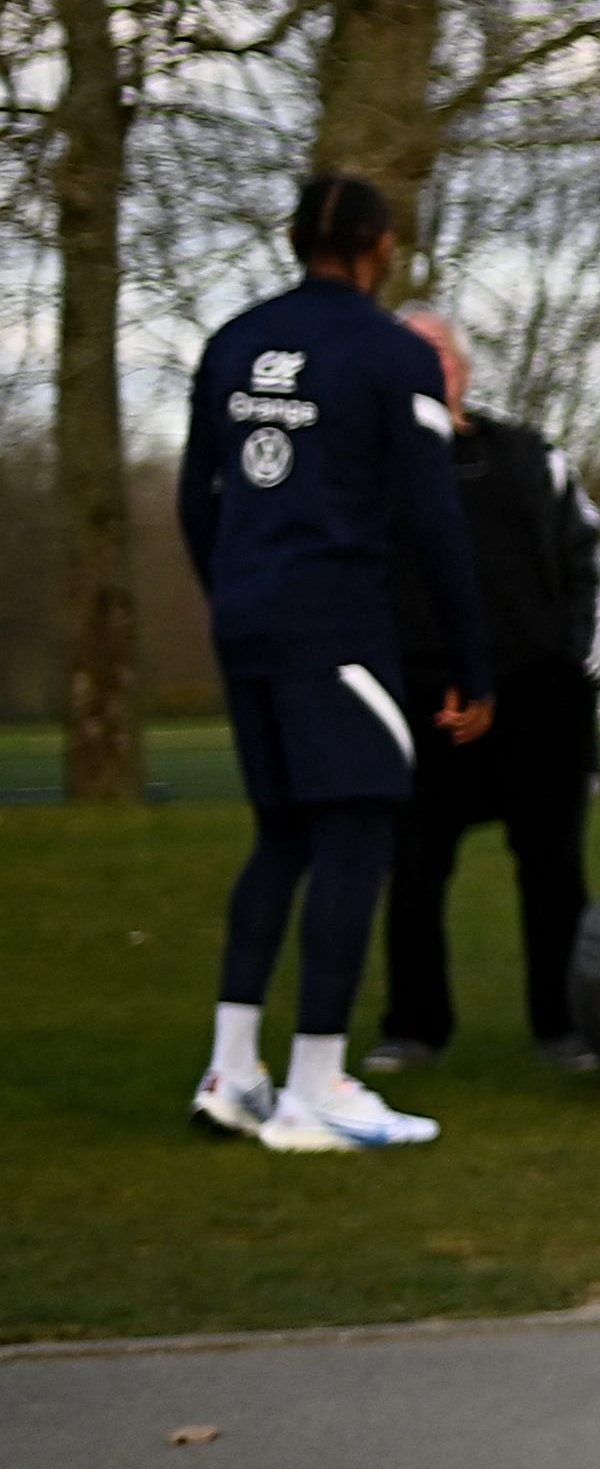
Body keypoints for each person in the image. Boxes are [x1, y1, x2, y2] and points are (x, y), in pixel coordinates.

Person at [175, 175, 493, 1151]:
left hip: (248, 619)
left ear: (292, 237)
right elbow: (434, 517)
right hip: (337, 624)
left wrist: (235, 593)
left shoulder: (231, 341)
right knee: (356, 834)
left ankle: (234, 1071)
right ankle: (317, 1082)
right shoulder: (392, 353)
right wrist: (471, 661)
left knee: (282, 835)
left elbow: (200, 494)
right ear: (380, 245)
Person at [372, 312, 600, 1071]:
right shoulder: (361, 469)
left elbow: (591, 569)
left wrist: (576, 675)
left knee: (552, 869)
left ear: (464, 369)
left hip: (537, 698)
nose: (423, 362)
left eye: (436, 351)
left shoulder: (530, 457)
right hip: (418, 701)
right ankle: (412, 1030)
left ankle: (565, 1027)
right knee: (412, 871)